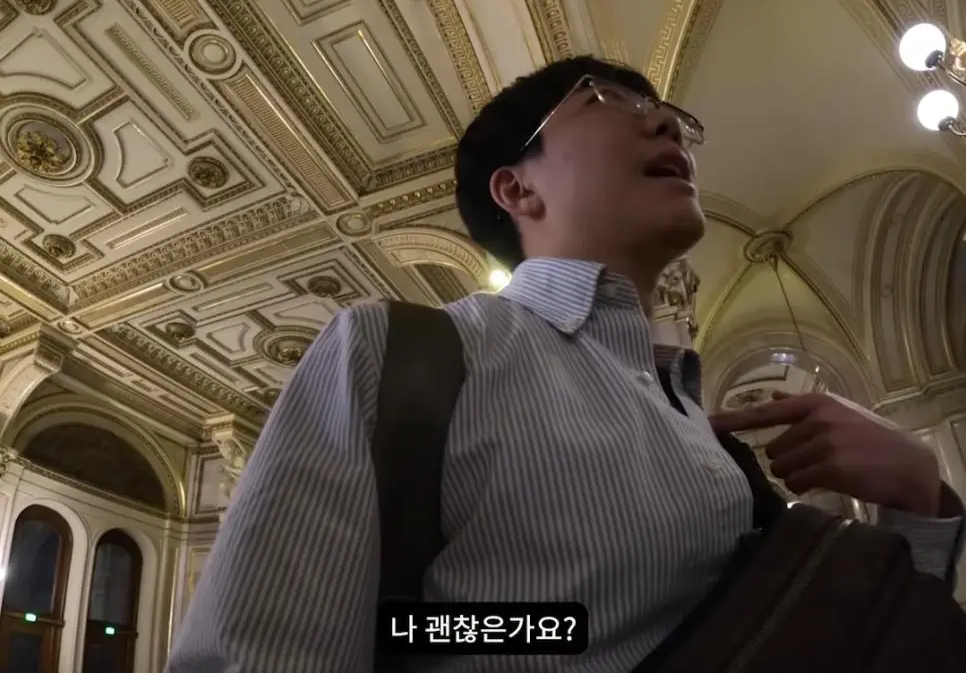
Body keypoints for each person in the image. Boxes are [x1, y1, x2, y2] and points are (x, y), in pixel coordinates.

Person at [166, 56, 964, 673]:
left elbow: (859, 640)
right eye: (609, 100)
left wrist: (919, 498)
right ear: (517, 189)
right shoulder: (401, 353)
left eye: (671, 115)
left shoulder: (707, 435)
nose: (667, 125)